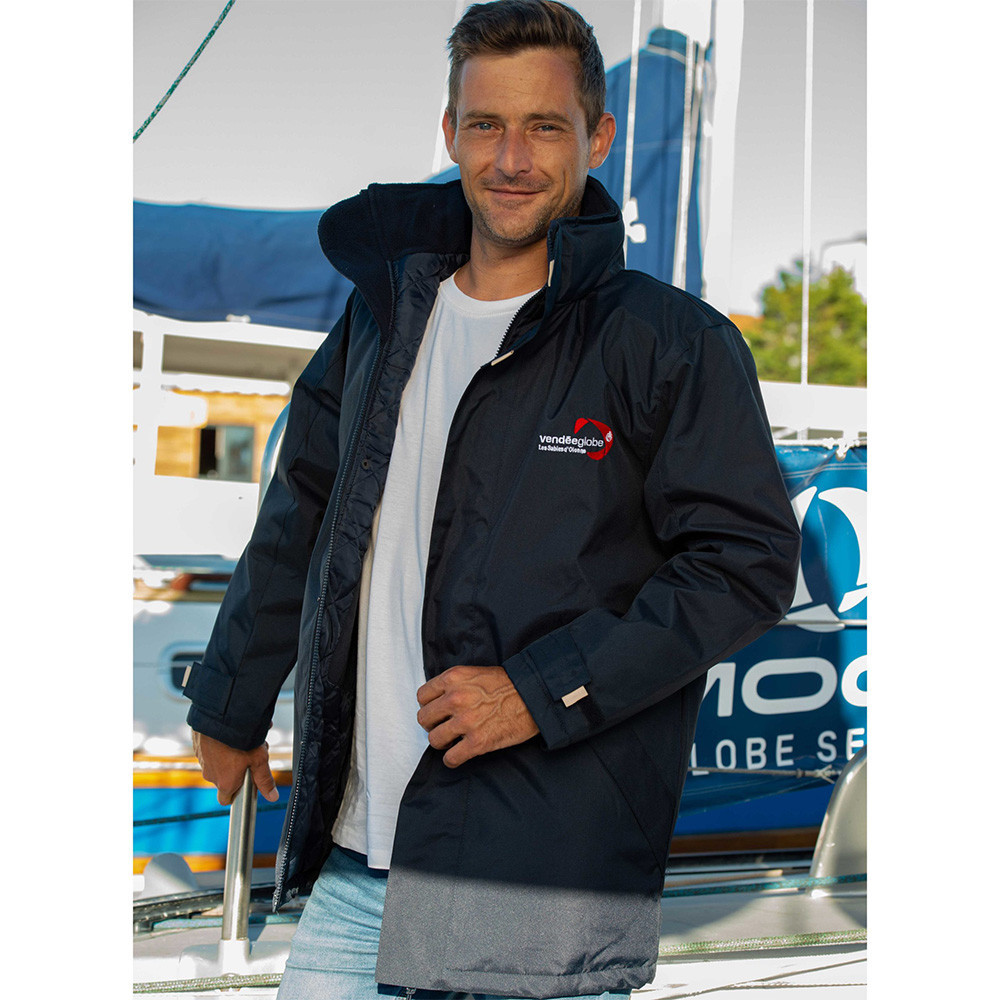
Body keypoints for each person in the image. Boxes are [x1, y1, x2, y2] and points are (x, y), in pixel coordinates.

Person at [184, 2, 801, 998]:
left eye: (544, 127)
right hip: (357, 862)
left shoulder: (670, 342)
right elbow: (300, 515)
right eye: (486, 125)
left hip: (536, 879)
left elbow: (745, 566)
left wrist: (541, 690)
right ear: (451, 133)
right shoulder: (381, 317)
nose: (511, 159)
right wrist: (230, 700)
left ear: (595, 139)